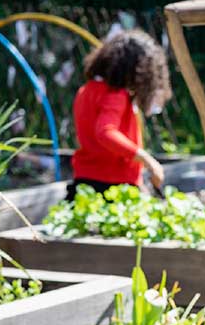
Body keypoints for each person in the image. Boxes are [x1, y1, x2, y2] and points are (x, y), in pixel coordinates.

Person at [67, 30, 171, 200]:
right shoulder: (116, 95)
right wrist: (147, 160)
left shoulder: (85, 91)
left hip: (85, 181)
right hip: (114, 186)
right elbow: (105, 132)